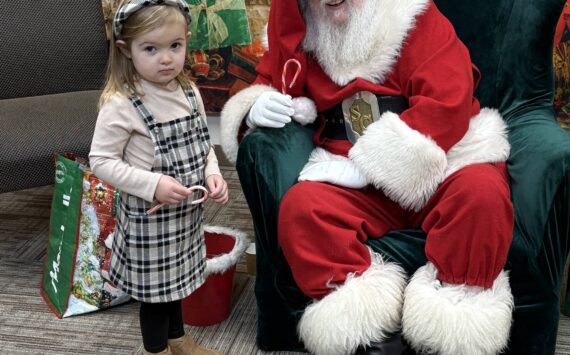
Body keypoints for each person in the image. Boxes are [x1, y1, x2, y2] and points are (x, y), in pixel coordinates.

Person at [220, 0, 514, 354]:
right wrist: (257, 104)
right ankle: (369, 335)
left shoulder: (411, 13)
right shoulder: (302, 23)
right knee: (302, 208)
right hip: (352, 173)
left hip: (441, 157)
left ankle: (452, 325)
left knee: (481, 193)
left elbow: (448, 101)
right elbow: (273, 76)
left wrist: (379, 159)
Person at [89, 1, 228, 354]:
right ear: (126, 50)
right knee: (155, 296)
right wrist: (153, 185)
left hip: (185, 219)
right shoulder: (122, 103)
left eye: (175, 46)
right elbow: (101, 160)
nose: (166, 58)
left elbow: (203, 145)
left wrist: (213, 173)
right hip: (148, 223)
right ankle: (157, 350)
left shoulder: (189, 92)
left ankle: (178, 341)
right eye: (151, 49)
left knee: (176, 286)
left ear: (186, 41)